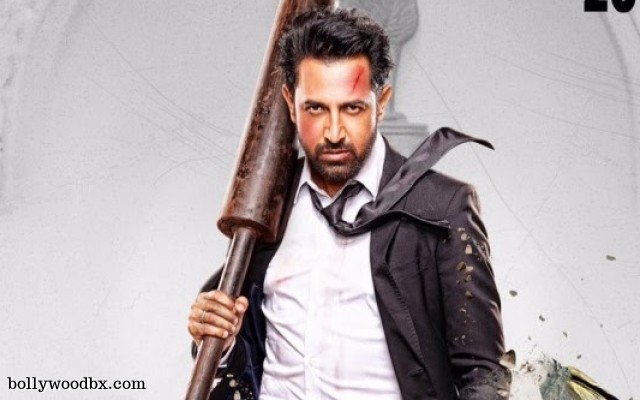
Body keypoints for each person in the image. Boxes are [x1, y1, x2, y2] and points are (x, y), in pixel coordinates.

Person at [188, 8, 511, 400]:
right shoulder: (266, 202)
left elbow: (484, 376)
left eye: (352, 108)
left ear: (382, 102)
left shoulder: (443, 207)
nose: (334, 132)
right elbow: (244, 356)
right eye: (316, 108)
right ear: (290, 102)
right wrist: (222, 341)